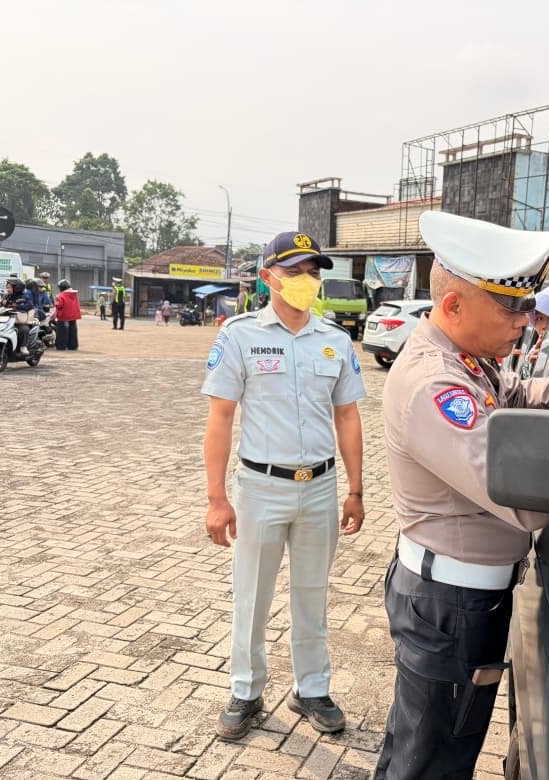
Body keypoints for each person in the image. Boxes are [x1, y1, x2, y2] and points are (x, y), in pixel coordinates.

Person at [374, 212, 549, 779]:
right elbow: (523, 497)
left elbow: (514, 390)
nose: (524, 319)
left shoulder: (466, 362)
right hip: (451, 604)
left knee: (424, 743)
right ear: (454, 307)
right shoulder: (435, 385)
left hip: (461, 596)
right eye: (511, 306)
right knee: (434, 759)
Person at [202, 231, 367, 741]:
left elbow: (348, 417)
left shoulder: (335, 340)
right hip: (260, 487)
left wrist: (356, 489)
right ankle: (247, 692)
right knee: (251, 593)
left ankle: (311, 688)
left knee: (313, 593)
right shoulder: (240, 335)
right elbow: (221, 418)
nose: (306, 282)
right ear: (268, 276)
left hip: (318, 487)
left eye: (313, 272)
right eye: (295, 272)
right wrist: (216, 498)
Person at [2, 278, 35, 356]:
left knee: (24, 329)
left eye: (9, 287)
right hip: (7, 320)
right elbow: (0, 304)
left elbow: (30, 305)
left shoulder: (24, 296)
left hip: (19, 320)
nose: (8, 289)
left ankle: (23, 346)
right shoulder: (6, 296)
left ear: (16, 288)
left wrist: (17, 306)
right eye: (7, 287)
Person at [54, 279, 81, 351]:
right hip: (73, 315)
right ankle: (73, 346)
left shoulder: (61, 295)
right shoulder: (74, 294)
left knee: (62, 331)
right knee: (73, 330)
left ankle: (61, 346)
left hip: (64, 316)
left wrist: (55, 303)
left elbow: (59, 305)